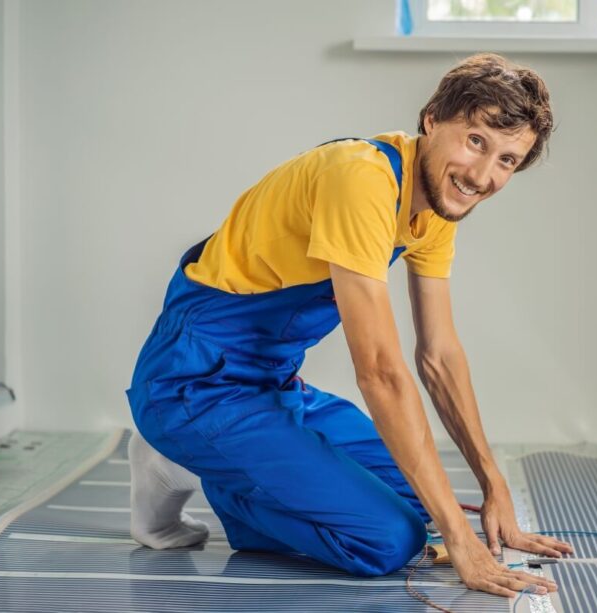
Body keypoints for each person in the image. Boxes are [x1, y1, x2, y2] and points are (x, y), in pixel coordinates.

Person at [126, 53, 573, 598]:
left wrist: (492, 482)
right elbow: (381, 373)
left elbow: (439, 356)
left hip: (271, 387)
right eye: (475, 141)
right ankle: (186, 458)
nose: (481, 176)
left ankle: (230, 470)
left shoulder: (435, 205)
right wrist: (461, 542)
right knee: (387, 541)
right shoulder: (360, 178)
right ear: (432, 118)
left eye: (506, 160)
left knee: (417, 503)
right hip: (193, 386)